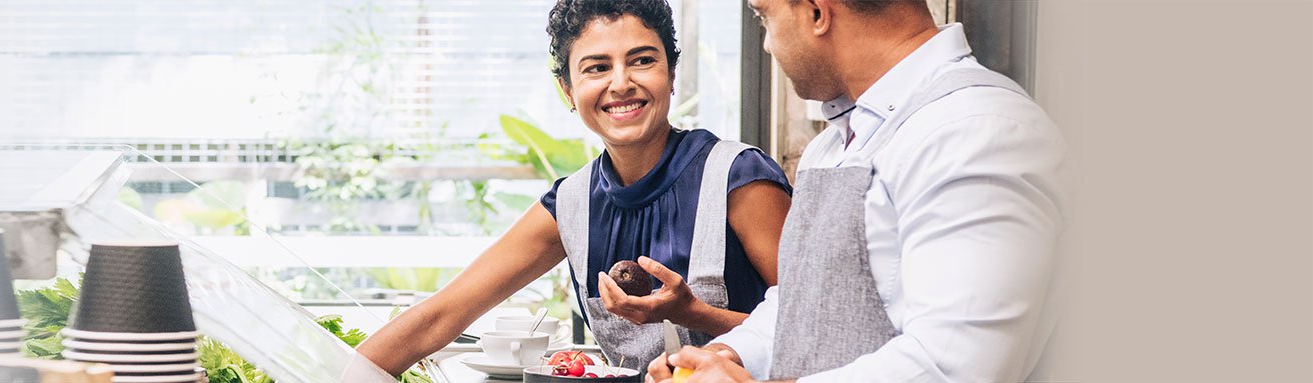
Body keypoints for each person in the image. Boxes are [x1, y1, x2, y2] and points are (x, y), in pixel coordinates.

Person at [356, 0, 795, 374]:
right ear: (567, 89)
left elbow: (815, 328)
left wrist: (691, 313)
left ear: (671, 73)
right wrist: (335, 373)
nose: (621, 82)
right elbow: (442, 315)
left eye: (643, 60)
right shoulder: (572, 203)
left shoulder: (738, 178)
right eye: (597, 68)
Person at [646, 0, 1064, 382]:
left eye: (764, 16)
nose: (769, 45)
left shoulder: (976, 130)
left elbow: (953, 366)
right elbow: (800, 308)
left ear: (816, 12)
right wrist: (726, 355)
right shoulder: (832, 146)